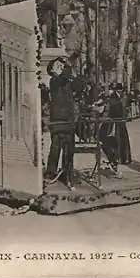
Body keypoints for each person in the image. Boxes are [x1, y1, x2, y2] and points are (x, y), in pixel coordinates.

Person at [45, 57, 76, 189]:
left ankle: (67, 172)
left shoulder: (66, 81)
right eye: (58, 65)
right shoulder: (54, 81)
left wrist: (74, 72)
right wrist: (68, 66)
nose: (61, 67)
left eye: (61, 65)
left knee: (69, 148)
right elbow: (62, 78)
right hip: (58, 119)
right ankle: (51, 173)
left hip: (68, 118)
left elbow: (79, 84)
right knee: (56, 147)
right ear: (52, 70)